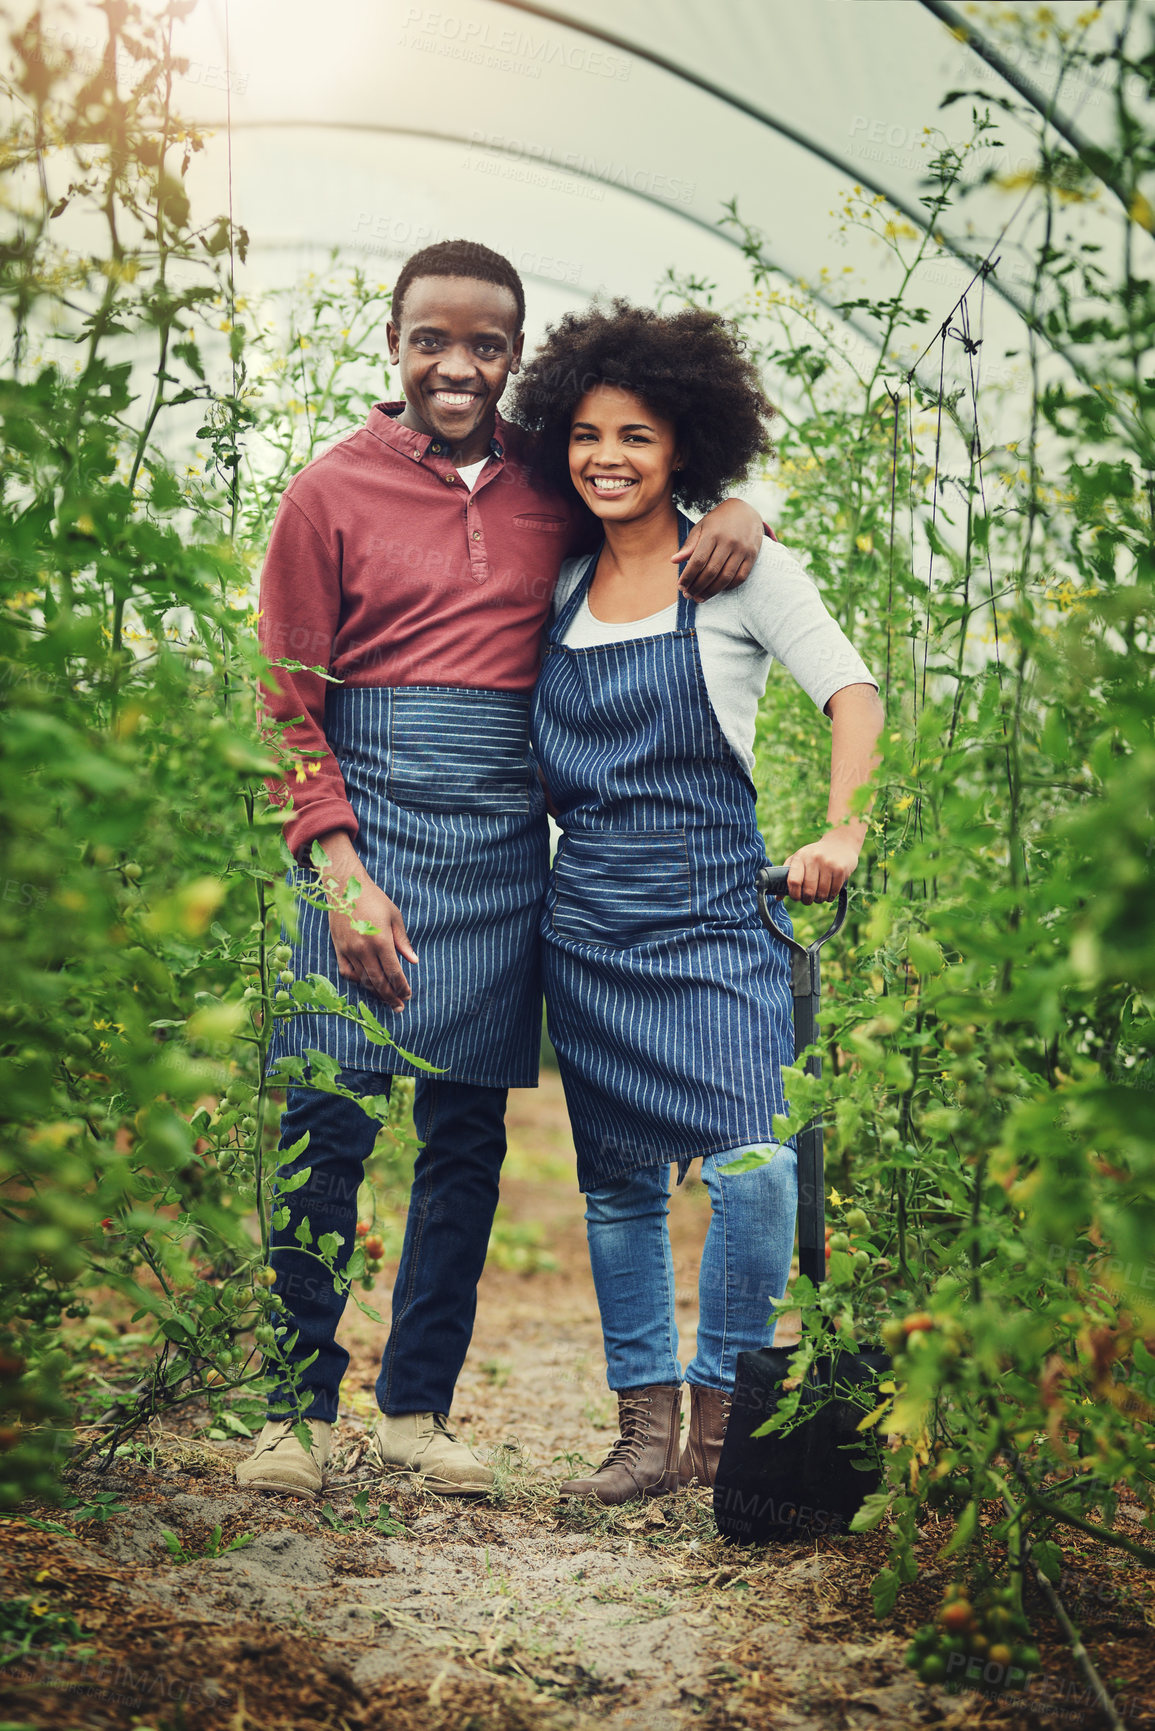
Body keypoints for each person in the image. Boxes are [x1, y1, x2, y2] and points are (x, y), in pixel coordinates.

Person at [235, 242, 771, 1499]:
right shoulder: (329, 494)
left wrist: (751, 507)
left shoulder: (551, 484)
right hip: (362, 847)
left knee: (463, 1139)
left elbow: (661, 493)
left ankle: (416, 1408)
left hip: (500, 856)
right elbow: (279, 704)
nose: (457, 365)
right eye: (432, 339)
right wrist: (340, 874)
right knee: (327, 1120)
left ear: (518, 357)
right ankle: (295, 1412)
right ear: (392, 342)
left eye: (485, 345)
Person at [509, 301, 885, 1503]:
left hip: (719, 917)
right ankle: (642, 1436)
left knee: (754, 1168)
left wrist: (844, 828)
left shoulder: (735, 565)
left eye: (636, 435)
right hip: (589, 924)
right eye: (584, 434)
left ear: (686, 449)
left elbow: (854, 694)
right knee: (617, 1184)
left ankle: (726, 1432)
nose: (606, 456)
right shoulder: (556, 588)